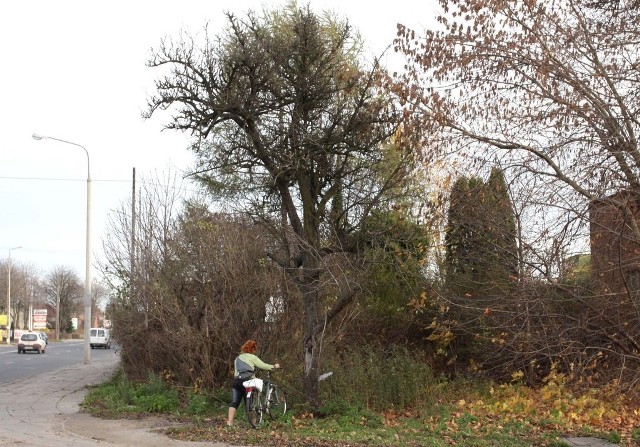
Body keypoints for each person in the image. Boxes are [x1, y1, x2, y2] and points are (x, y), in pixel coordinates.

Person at [227, 339, 280, 426]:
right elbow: (263, 366)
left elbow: (236, 372)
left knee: (234, 402)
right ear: (252, 349)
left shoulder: (237, 359)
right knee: (251, 403)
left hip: (237, 382)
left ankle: (229, 422)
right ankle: (254, 422)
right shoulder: (252, 357)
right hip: (248, 382)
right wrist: (274, 366)